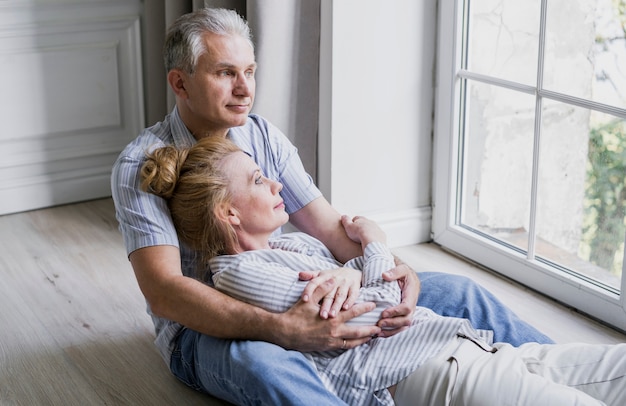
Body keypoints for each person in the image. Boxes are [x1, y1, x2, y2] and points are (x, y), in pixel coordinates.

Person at [111, 7, 552, 405]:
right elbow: (164, 291)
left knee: (461, 293)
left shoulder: (263, 135)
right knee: (268, 367)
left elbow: (330, 229)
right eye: (226, 73)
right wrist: (281, 330)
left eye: (250, 70)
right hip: (203, 331)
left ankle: (569, 374)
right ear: (180, 82)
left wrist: (400, 271)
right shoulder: (140, 163)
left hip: (291, 288)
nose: (245, 88)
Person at [141, 136, 626, 406]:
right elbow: (354, 317)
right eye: (256, 179)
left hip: (467, 347)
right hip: (436, 376)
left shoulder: (296, 242)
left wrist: (357, 271)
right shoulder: (237, 273)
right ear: (228, 213)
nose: (273, 182)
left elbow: (369, 286)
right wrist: (373, 246)